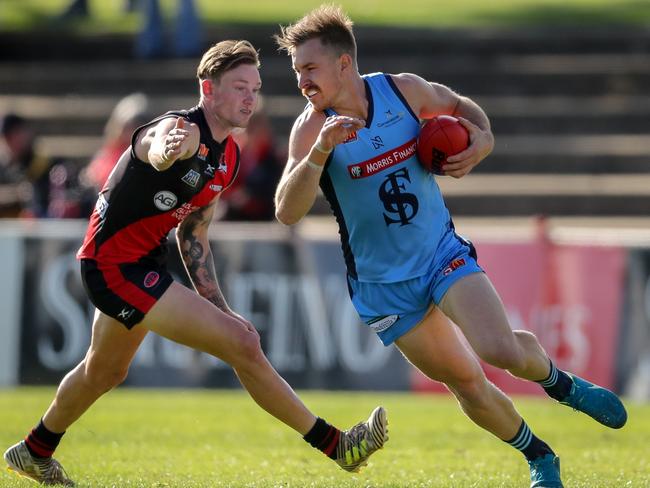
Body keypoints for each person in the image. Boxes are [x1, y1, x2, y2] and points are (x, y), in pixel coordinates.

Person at [3, 39, 388, 486]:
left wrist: (222, 308)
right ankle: (338, 445)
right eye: (240, 87)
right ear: (208, 89)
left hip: (138, 263)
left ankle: (34, 450)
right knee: (242, 345)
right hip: (113, 266)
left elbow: (194, 234)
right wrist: (167, 148)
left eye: (255, 88)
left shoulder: (228, 156)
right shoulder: (177, 129)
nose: (251, 98)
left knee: (104, 370)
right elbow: (156, 146)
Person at [273, 6, 627, 488]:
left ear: (343, 64)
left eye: (309, 69)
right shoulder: (312, 129)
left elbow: (461, 107)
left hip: (440, 253)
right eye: (297, 72)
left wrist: (483, 139)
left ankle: (561, 386)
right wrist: (319, 153)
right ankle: (540, 456)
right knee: (467, 384)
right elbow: (286, 211)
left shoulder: (403, 90)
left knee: (498, 348)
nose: (302, 81)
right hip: (383, 286)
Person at [0, 113, 54, 218]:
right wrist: (15, 194)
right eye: (7, 138)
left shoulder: (42, 165)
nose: (10, 142)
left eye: (16, 134)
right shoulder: (4, 166)